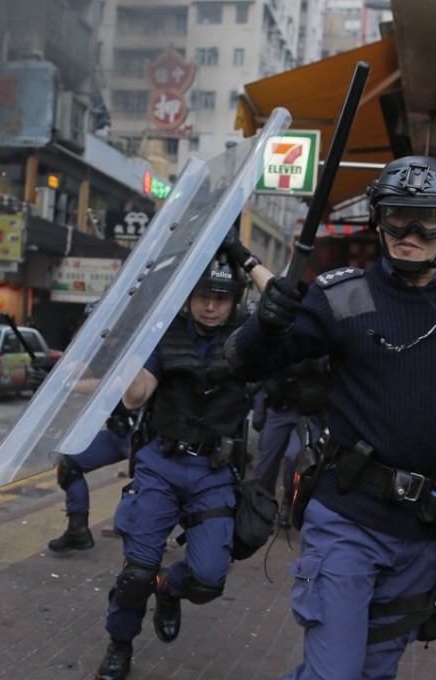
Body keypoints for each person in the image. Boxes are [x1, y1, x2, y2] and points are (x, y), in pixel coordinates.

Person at [223, 155, 436, 679]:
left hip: (427, 530)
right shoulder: (339, 296)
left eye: (428, 218)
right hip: (346, 519)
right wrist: (267, 323)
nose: (409, 232)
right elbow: (249, 362)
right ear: (378, 218)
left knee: (373, 672)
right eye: (396, 215)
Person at [93, 240, 272, 680]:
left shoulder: (249, 338)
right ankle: (120, 643)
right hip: (161, 464)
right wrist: (132, 346)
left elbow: (285, 302)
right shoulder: (165, 332)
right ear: (189, 296)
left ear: (235, 301)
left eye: (221, 297)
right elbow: (135, 398)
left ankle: (169, 590)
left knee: (208, 581)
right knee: (137, 573)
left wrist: (245, 258)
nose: (211, 307)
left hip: (213, 471)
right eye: (203, 296)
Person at [47, 402, 136, 554]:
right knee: (69, 462)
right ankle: (77, 530)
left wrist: (68, 383)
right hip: (120, 432)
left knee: (159, 486)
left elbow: (114, 385)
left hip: (147, 438)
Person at [251, 356, 330, 524]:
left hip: (309, 411)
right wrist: (259, 406)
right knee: (265, 464)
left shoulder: (320, 339)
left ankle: (289, 497)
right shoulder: (280, 337)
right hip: (279, 406)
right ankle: (262, 507)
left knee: (294, 456)